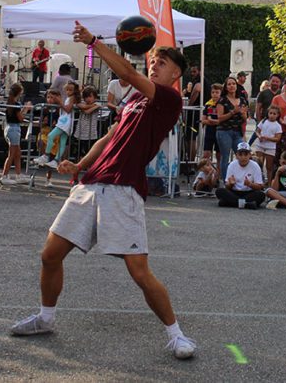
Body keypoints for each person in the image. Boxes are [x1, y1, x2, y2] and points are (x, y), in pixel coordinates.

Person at [10, 20, 196, 360]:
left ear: (175, 76)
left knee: (139, 273)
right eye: (153, 61)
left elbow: (128, 70)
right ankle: (45, 318)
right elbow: (107, 138)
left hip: (123, 190)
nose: (155, 65)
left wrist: (95, 42)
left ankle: (177, 335)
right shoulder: (135, 100)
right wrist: (79, 166)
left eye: (163, 63)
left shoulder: (169, 100)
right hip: (91, 184)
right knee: (49, 255)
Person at [214, 76, 248, 181]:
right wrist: (233, 112)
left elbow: (246, 117)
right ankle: (225, 180)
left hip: (237, 131)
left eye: (233, 84)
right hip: (224, 131)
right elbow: (220, 118)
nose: (232, 86)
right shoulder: (222, 100)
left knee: (241, 154)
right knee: (225, 156)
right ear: (226, 87)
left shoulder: (242, 100)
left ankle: (240, 179)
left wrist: (242, 114)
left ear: (236, 86)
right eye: (229, 84)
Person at [215, 141, 266, 209]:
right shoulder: (232, 165)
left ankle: (230, 203)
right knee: (219, 191)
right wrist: (231, 184)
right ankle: (246, 204)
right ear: (236, 155)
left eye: (245, 154)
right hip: (234, 192)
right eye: (240, 155)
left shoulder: (255, 166)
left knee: (261, 195)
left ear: (250, 155)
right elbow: (227, 186)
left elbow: (259, 186)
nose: (243, 157)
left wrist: (250, 184)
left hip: (249, 192)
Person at [1, 83, 32, 184]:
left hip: (9, 128)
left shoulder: (10, 103)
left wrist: (23, 109)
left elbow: (16, 115)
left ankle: (18, 175)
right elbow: (20, 118)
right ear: (19, 93)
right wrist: (26, 109)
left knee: (18, 153)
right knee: (12, 154)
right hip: (14, 129)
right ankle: (4, 175)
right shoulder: (16, 104)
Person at [252, 104, 283, 181]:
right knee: (259, 164)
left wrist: (267, 138)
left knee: (269, 166)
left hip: (270, 147)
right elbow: (257, 131)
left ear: (278, 115)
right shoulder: (263, 121)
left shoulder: (278, 126)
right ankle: (258, 181)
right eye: (270, 113)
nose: (272, 115)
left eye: (274, 114)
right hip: (260, 145)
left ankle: (269, 183)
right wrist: (259, 136)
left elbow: (277, 138)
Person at [71, 86, 102, 161]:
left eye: (90, 96)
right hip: (81, 131)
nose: (88, 99)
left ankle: (88, 164)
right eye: (86, 97)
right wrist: (94, 106)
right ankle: (79, 162)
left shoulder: (98, 103)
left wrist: (94, 106)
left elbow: (87, 111)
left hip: (91, 132)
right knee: (79, 149)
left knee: (89, 149)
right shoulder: (84, 104)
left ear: (95, 97)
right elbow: (84, 110)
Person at [200, 83, 222, 169]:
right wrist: (213, 122)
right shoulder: (208, 104)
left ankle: (218, 172)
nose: (215, 94)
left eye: (217, 92)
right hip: (209, 132)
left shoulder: (223, 104)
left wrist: (212, 121)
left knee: (219, 155)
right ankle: (206, 171)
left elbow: (222, 121)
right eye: (213, 92)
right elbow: (203, 120)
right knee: (206, 154)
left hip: (220, 132)